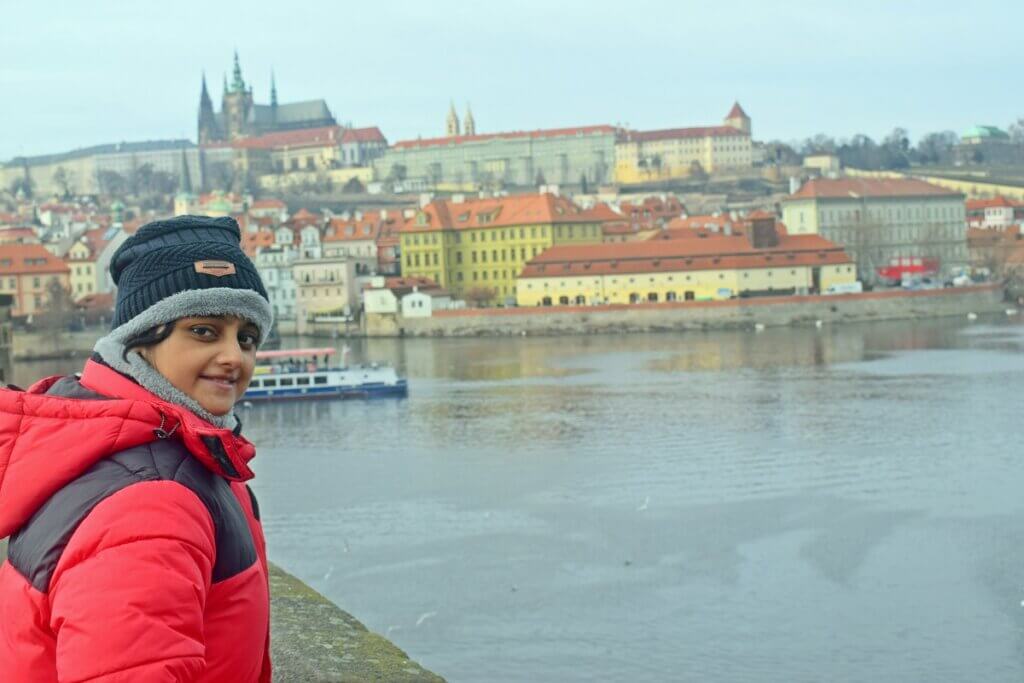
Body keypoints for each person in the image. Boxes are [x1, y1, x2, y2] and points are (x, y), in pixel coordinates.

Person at [0, 216, 274, 681]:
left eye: (246, 337)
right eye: (204, 331)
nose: (235, 356)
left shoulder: (141, 446)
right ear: (137, 344)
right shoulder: (152, 501)